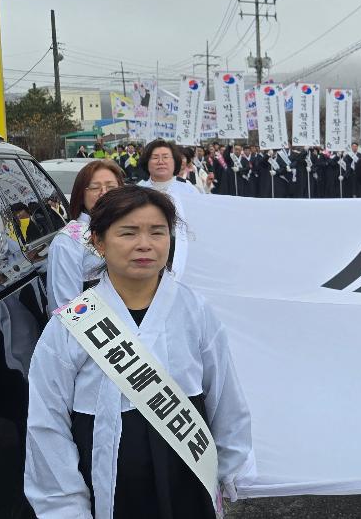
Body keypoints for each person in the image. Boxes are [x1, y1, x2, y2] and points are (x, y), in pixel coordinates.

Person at [25, 186, 254, 519]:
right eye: (128, 233)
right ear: (99, 242)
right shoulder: (72, 323)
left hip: (187, 473)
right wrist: (63, 506)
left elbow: (225, 395)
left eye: (157, 232)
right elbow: (47, 423)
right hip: (110, 483)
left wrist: (231, 466)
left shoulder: (194, 309)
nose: (145, 244)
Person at [46, 160, 124, 310]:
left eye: (111, 187)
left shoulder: (132, 231)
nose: (104, 192)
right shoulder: (68, 241)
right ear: (81, 194)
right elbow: (66, 306)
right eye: (95, 187)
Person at [137, 140, 199, 277]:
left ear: (175, 161)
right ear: (146, 162)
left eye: (165, 157)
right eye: (155, 157)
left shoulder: (189, 190)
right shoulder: (137, 190)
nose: (160, 161)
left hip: (181, 252)